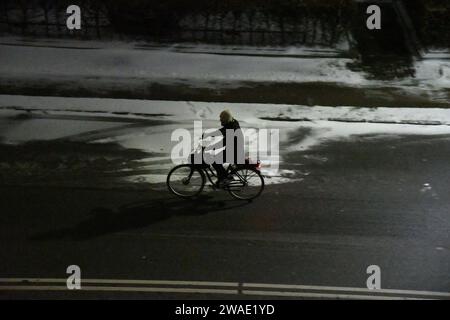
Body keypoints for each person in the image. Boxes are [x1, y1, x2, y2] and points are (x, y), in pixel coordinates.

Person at [205, 110, 244, 187]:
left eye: (221, 118)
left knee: (215, 160)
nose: (220, 120)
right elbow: (222, 131)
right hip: (233, 149)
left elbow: (225, 141)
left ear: (226, 119)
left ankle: (227, 178)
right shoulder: (232, 123)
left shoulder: (232, 127)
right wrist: (210, 134)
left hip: (234, 151)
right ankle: (221, 180)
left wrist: (213, 147)